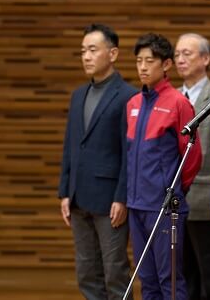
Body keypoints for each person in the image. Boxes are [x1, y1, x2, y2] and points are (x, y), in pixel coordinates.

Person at [59, 23, 136, 300]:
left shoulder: (128, 96)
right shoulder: (78, 94)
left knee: (115, 271)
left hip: (110, 201)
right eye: (83, 51)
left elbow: (130, 154)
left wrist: (122, 197)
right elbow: (70, 145)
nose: (86, 56)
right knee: (87, 272)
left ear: (113, 54)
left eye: (93, 50)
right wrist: (65, 191)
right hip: (78, 197)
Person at [126, 33, 202, 300]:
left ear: (166, 64)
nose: (143, 67)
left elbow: (192, 157)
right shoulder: (133, 104)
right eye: (139, 61)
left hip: (164, 207)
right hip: (136, 206)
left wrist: (173, 191)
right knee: (146, 279)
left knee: (169, 279)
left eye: (149, 61)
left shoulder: (179, 103)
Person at [174, 33, 210, 300]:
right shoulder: (172, 97)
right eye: (177, 55)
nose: (180, 59)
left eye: (187, 53)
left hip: (206, 201)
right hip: (176, 201)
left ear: (206, 59)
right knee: (183, 274)